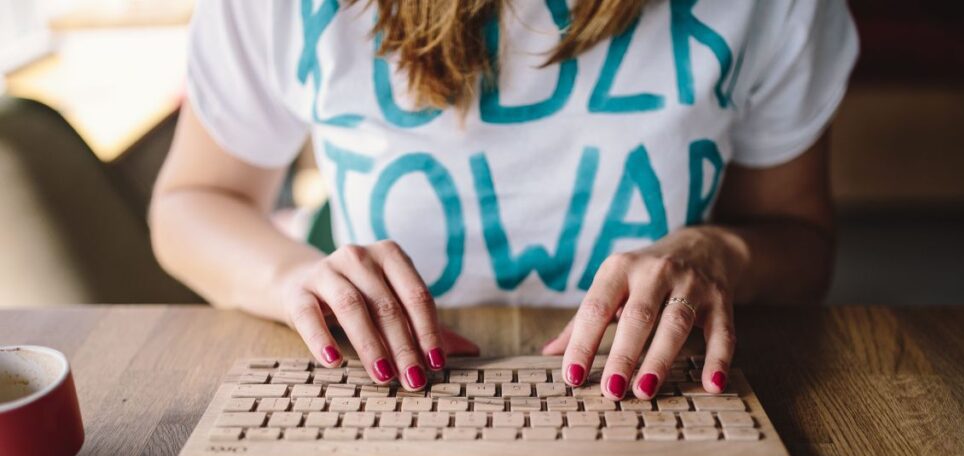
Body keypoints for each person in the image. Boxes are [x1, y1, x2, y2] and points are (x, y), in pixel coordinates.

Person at [150, 0, 858, 399]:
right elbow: (191, 202)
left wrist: (719, 252)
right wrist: (288, 276)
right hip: (395, 398)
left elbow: (799, 239)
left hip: (654, 393)